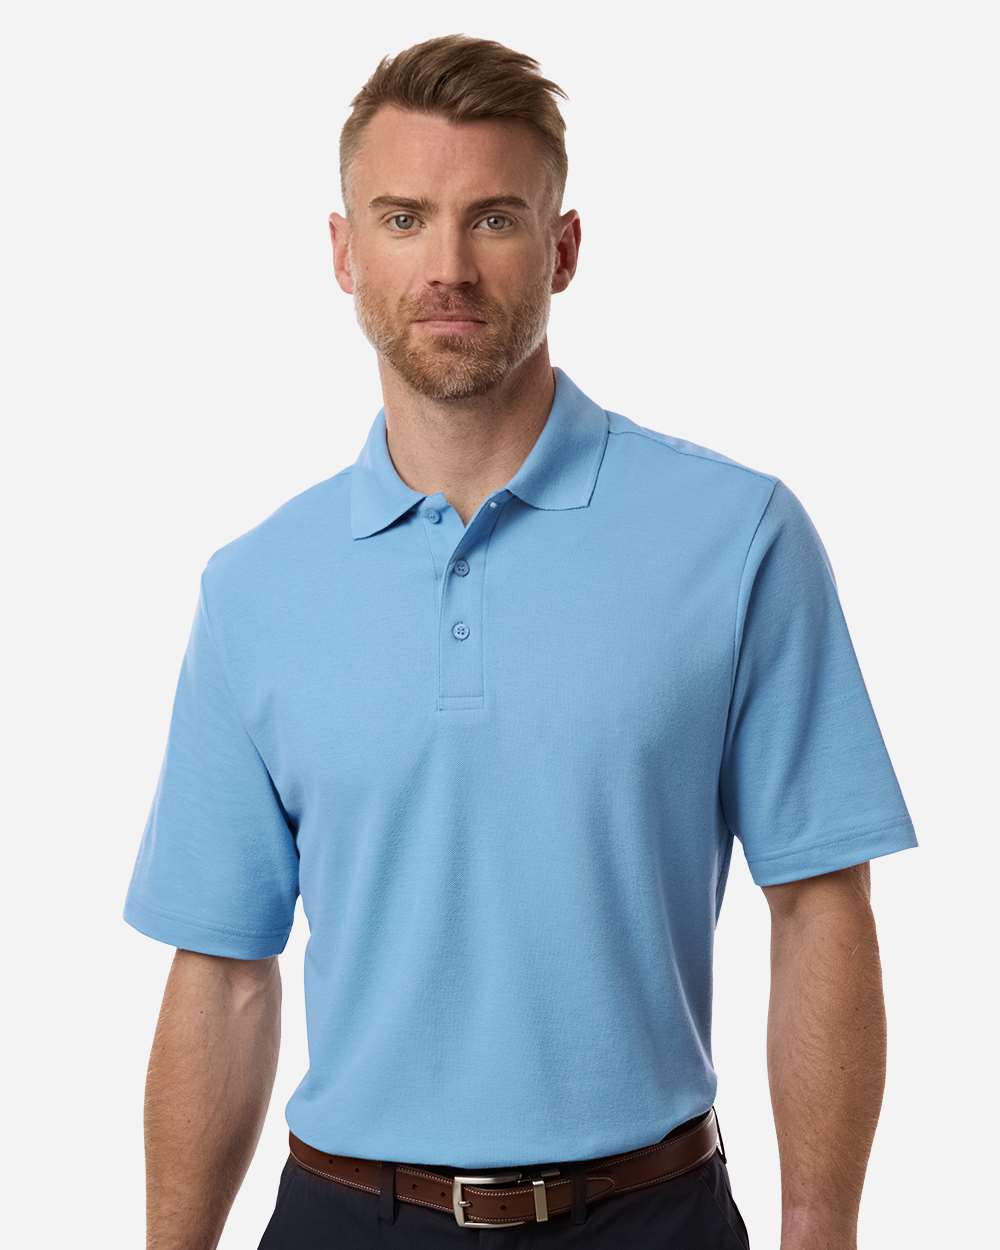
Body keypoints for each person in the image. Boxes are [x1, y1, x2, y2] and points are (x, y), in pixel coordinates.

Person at [122, 32, 919, 1250]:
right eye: (402, 219)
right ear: (342, 252)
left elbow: (819, 905)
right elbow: (223, 976)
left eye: (493, 219)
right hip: (344, 1216)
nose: (446, 267)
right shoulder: (254, 588)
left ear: (563, 248)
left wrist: (821, 1233)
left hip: (650, 1215)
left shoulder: (737, 536)